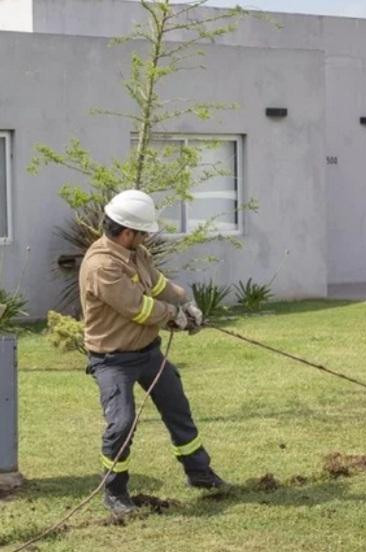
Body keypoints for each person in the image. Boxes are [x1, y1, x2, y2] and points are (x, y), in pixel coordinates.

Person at [79, 189, 226, 516]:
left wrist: (185, 301)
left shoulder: (137, 254)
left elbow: (158, 286)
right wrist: (174, 317)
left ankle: (199, 473)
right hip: (112, 360)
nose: (146, 237)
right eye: (142, 232)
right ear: (127, 232)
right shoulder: (101, 265)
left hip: (147, 353)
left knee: (177, 407)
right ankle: (115, 491)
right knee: (122, 423)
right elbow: (137, 307)